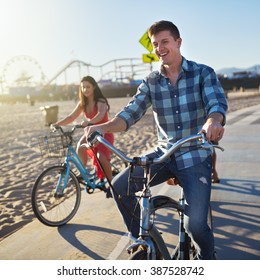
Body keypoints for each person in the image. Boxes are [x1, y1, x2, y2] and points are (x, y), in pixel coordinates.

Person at [84, 20, 228, 259]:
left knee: (196, 227)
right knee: (120, 188)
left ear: (178, 43)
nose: (159, 48)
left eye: (165, 42)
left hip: (194, 154)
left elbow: (217, 103)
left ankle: (207, 259)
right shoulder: (151, 81)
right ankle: (147, 240)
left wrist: (214, 120)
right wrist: (102, 126)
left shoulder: (203, 73)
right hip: (163, 154)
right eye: (155, 44)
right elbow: (130, 114)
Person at [53, 75, 114, 198]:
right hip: (91, 133)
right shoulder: (83, 103)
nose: (85, 90)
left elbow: (101, 114)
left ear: (94, 87)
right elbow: (71, 117)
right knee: (80, 147)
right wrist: (57, 124)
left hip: (103, 133)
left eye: (88, 87)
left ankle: (111, 185)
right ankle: (83, 171)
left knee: (101, 157)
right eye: (83, 87)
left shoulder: (100, 100)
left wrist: (89, 122)